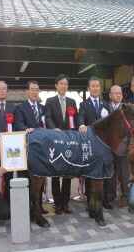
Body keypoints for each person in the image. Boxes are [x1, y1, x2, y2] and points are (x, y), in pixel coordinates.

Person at [44, 74, 77, 215]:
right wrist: (53, 129)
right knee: (56, 173)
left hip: (68, 141)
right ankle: (57, 204)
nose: (63, 86)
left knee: (68, 173)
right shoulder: (50, 101)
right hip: (56, 141)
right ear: (56, 85)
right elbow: (48, 117)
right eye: (61, 83)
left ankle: (65, 203)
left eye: (66, 84)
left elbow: (75, 119)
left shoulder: (72, 101)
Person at [77, 76, 112, 210]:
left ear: (100, 88)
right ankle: (90, 201)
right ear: (88, 88)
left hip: (104, 145)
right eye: (93, 86)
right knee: (90, 172)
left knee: (105, 171)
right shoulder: (84, 104)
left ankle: (104, 201)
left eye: (97, 86)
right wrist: (82, 126)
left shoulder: (105, 104)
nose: (95, 88)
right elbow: (80, 117)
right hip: (91, 144)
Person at [14, 80, 48, 214]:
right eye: (32, 89)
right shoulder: (20, 108)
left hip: (40, 150)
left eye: (37, 89)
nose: (35, 92)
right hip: (27, 148)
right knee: (27, 179)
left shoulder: (42, 108)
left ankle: (38, 207)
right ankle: (27, 209)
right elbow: (19, 125)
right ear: (26, 91)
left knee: (39, 179)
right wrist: (28, 130)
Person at [107, 85, 130, 208]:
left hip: (123, 147)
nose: (118, 95)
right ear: (110, 95)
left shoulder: (127, 109)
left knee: (123, 173)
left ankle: (125, 196)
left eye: (120, 93)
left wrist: (130, 145)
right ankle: (111, 194)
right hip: (109, 147)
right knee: (111, 172)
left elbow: (132, 129)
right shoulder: (105, 108)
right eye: (115, 93)